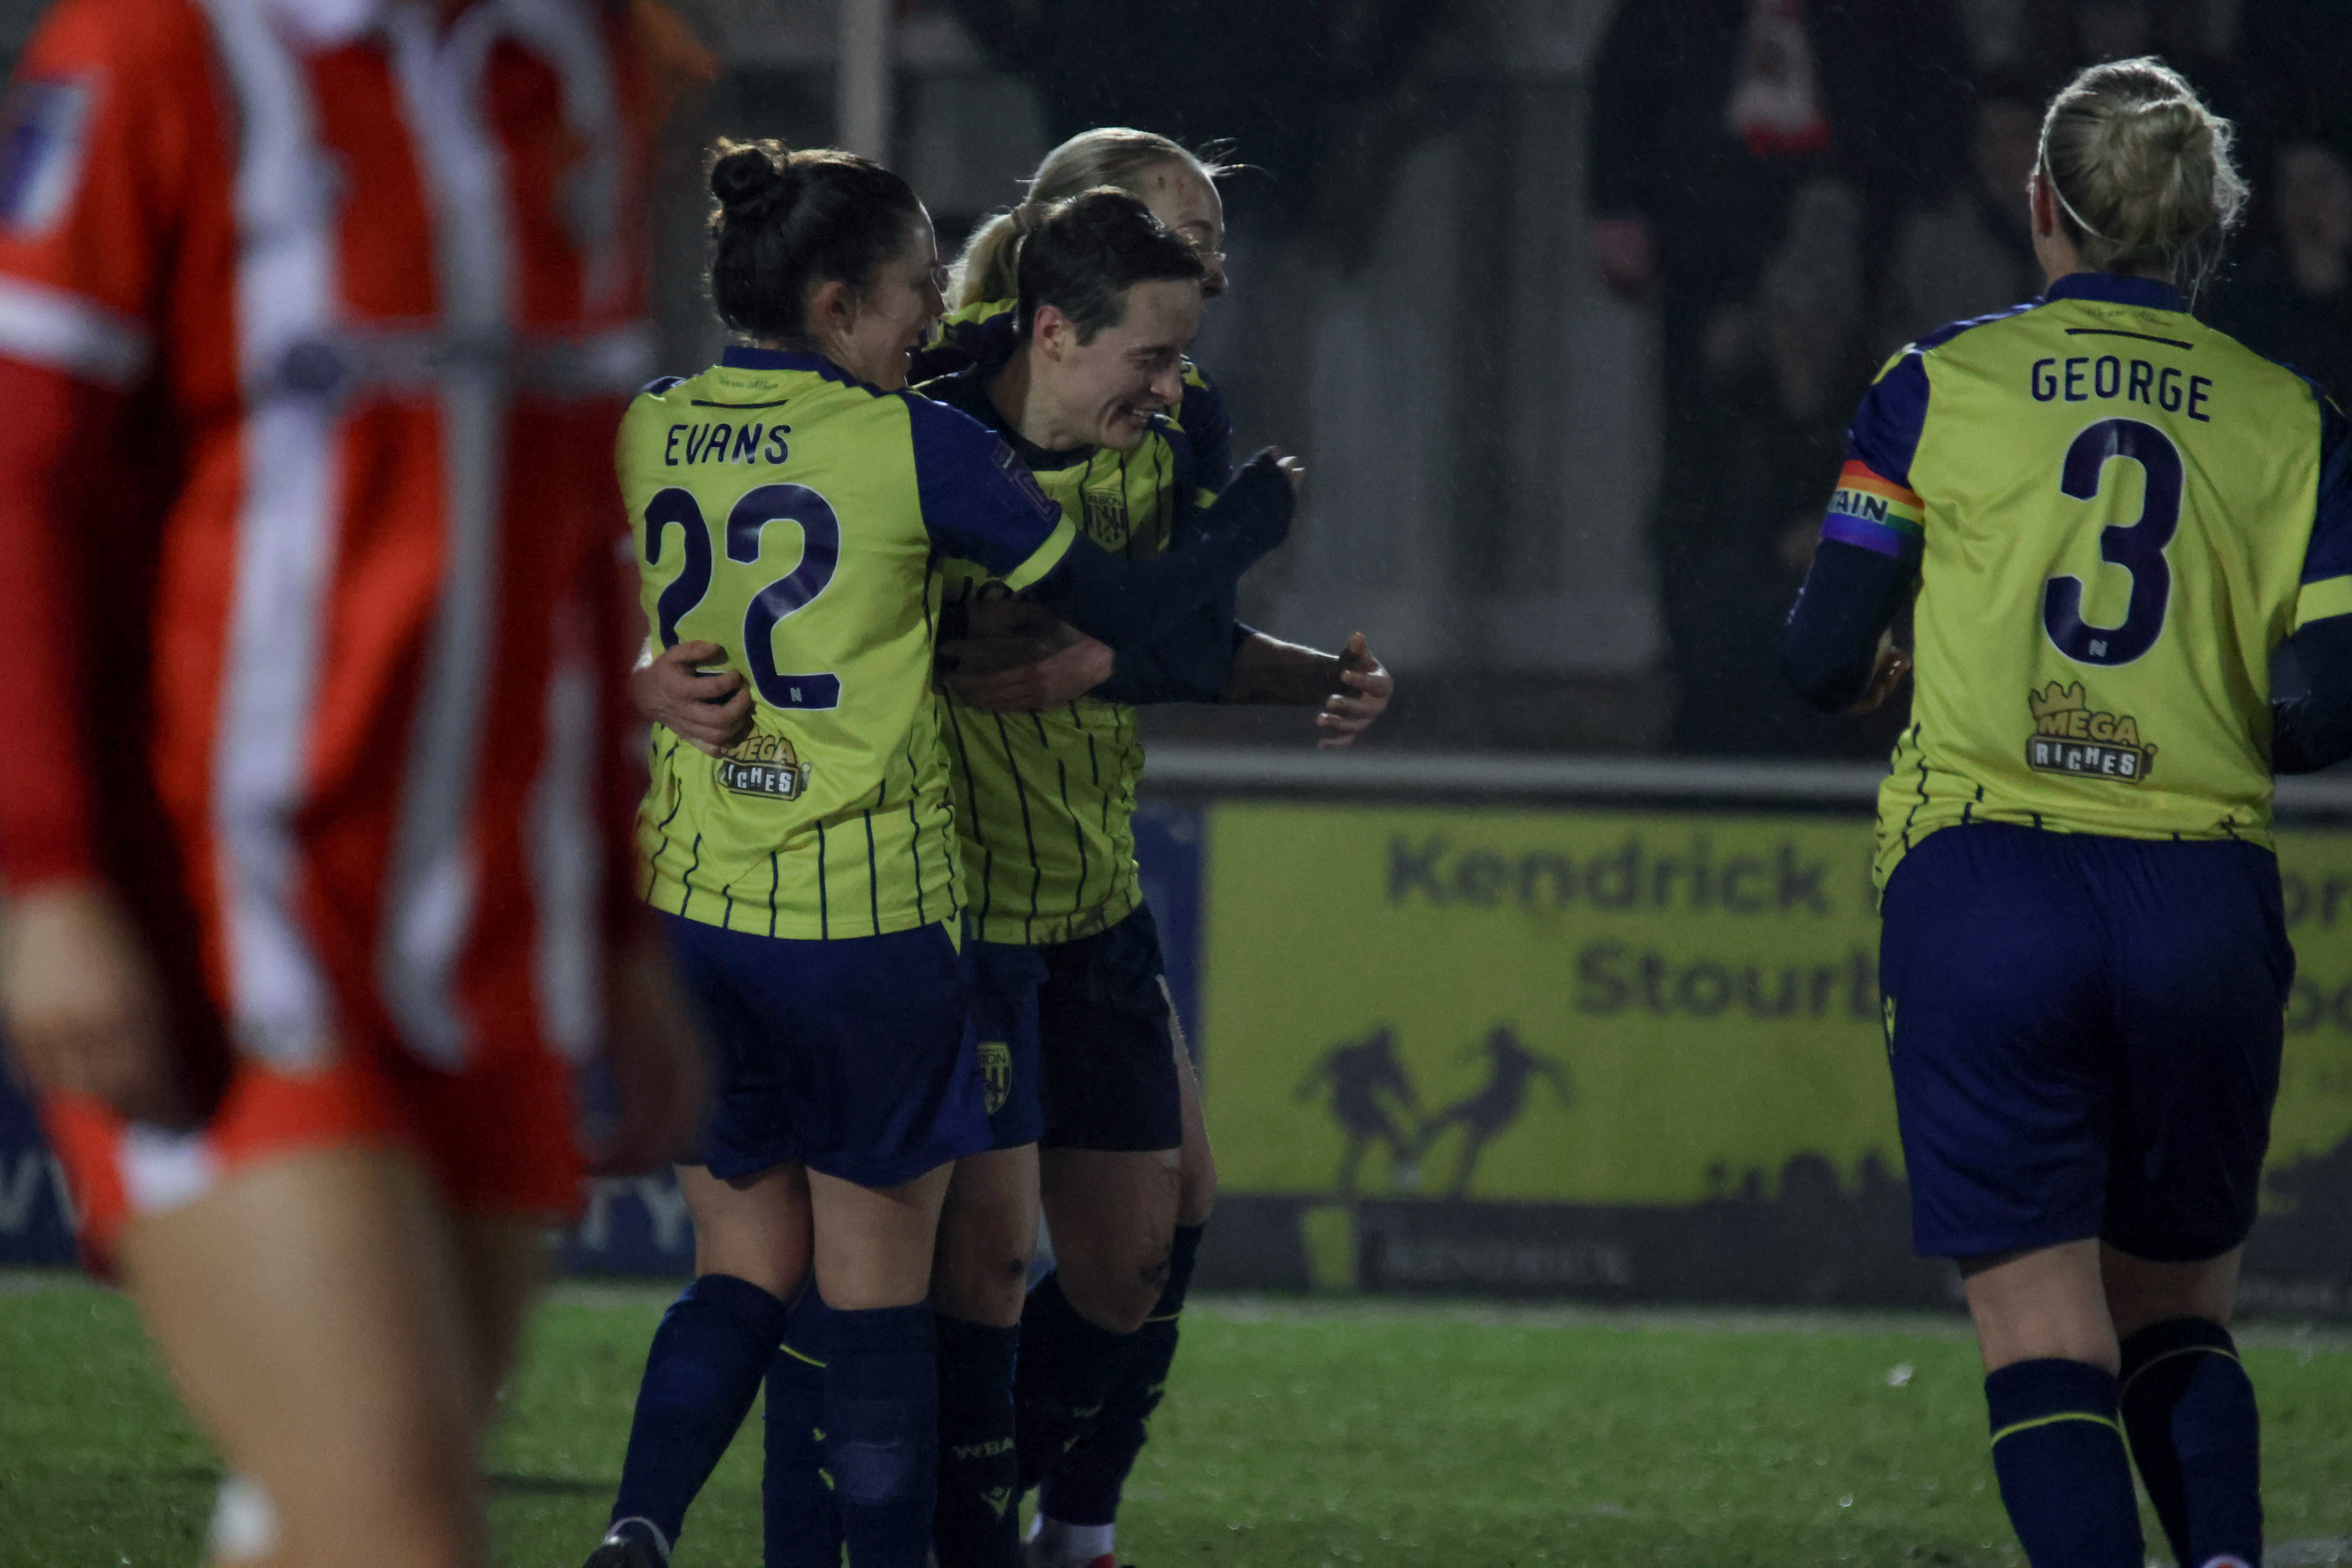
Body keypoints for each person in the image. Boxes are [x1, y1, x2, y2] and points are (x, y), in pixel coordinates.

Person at [0, 0, 712, 1565]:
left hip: (486, 927)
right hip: (230, 909)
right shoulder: (161, 53)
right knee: (401, 1531)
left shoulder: (574, 60)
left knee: (333, 1516)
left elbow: (576, 542)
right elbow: (24, 486)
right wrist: (41, 869)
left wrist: (617, 925)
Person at [587, 140, 1295, 1568]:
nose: (934, 315)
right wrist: (1251, 525)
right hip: (867, 921)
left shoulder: (654, 419)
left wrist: (639, 670)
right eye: (915, 288)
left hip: (694, 911)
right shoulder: (920, 445)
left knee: (746, 1266)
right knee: (874, 1297)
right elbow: (1121, 599)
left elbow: (551, 594)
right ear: (843, 303)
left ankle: (639, 1523)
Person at [1780, 56, 2352, 1568]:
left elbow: (1822, 650)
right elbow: (2337, 700)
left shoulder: (1935, 381)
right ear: (2211, 224)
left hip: (1989, 884)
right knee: (2182, 1317)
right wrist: (2220, 721)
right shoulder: (2296, 417)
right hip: (2200, 904)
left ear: (2042, 205)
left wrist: (1880, 675)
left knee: (2042, 1322)